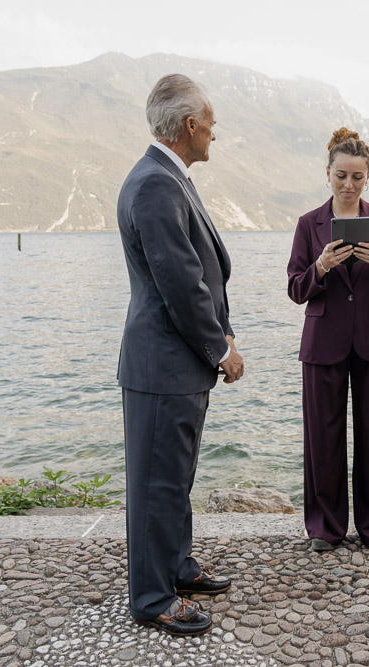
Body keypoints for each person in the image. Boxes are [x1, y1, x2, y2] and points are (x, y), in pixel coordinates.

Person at [116, 74, 244, 636]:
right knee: (156, 484)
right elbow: (180, 281)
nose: (216, 132)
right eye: (211, 121)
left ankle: (176, 566)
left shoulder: (168, 177)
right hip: (165, 363)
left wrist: (225, 334)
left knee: (176, 476)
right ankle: (150, 598)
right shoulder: (155, 184)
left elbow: (199, 273)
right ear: (190, 125)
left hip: (175, 364)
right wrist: (220, 347)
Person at [286, 128, 369, 552]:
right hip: (323, 342)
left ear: (368, 176)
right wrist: (319, 267)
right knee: (322, 436)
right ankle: (325, 527)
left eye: (357, 176)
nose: (348, 184)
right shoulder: (308, 224)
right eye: (341, 175)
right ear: (328, 173)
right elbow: (295, 288)